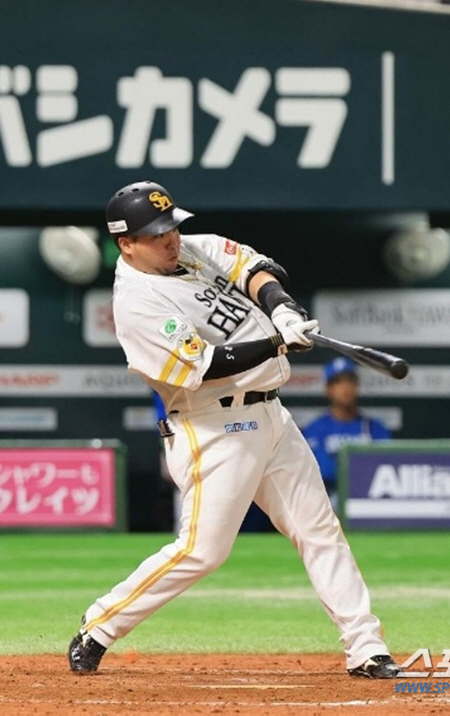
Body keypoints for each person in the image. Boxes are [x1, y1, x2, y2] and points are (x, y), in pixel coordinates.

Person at [67, 180, 399, 680]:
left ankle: (366, 646)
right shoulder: (136, 302)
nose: (171, 238)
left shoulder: (193, 250)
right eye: (156, 233)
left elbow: (255, 268)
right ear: (126, 244)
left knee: (319, 529)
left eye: (171, 226)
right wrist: (275, 343)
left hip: (271, 416)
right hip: (213, 426)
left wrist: (283, 307)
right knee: (203, 550)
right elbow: (204, 366)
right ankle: (100, 626)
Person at [303, 358, 391, 504]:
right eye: (338, 382)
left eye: (350, 381)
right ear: (328, 389)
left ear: (357, 385)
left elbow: (386, 473)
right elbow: (322, 472)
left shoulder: (374, 428)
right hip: (328, 503)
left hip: (368, 502)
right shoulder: (315, 429)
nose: (345, 388)